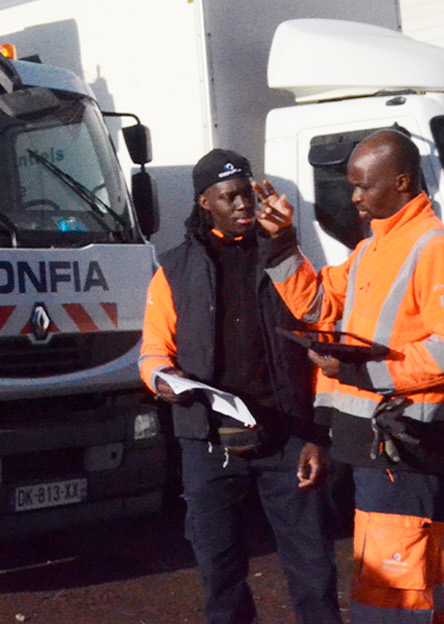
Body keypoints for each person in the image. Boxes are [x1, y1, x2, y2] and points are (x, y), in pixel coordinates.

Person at [254, 129, 444, 624]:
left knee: (390, 593)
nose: (353, 197)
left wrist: (360, 368)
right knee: (410, 584)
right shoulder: (369, 251)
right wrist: (281, 242)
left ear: (401, 182)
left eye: (363, 186)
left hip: (406, 447)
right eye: (351, 186)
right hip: (379, 449)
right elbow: (315, 304)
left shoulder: (434, 248)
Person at [141, 149, 342, 624]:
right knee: (220, 570)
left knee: (313, 568)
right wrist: (162, 382)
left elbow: (322, 340)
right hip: (208, 442)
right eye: (229, 197)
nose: (243, 205)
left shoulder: (283, 259)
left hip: (288, 435)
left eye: (248, 194)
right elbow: (152, 353)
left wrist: (318, 433)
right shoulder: (173, 269)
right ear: (204, 201)